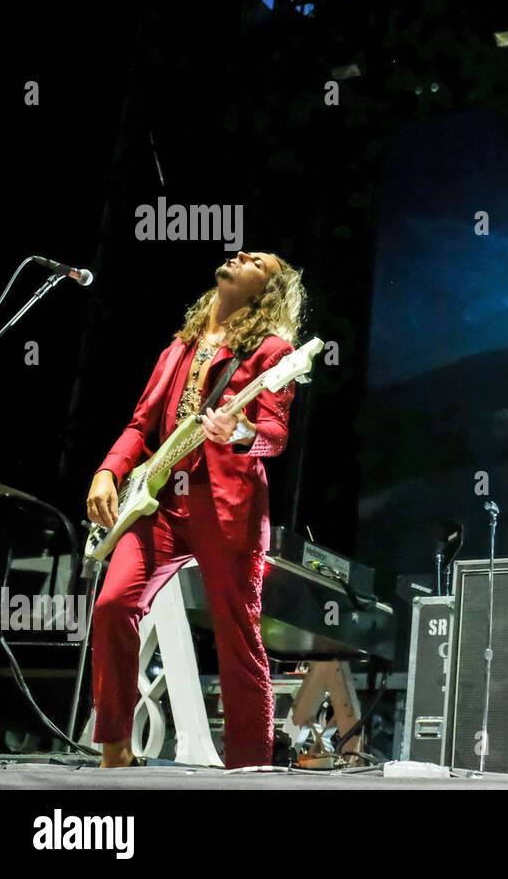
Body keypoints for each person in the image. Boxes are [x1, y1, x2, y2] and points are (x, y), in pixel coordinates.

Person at [85, 251, 305, 768]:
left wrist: (244, 431)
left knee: (237, 634)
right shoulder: (179, 348)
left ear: (266, 291)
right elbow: (141, 426)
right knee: (113, 604)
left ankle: (250, 764)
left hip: (227, 507)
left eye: (260, 261)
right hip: (157, 502)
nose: (243, 252)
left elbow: (275, 435)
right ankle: (115, 747)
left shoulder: (273, 351)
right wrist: (108, 471)